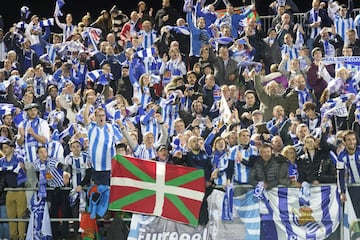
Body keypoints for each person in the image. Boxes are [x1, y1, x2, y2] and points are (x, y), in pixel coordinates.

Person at [83, 95, 123, 186]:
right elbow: (85, 117)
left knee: (108, 192)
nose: (101, 117)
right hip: (95, 168)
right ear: (95, 117)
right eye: (99, 116)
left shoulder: (112, 127)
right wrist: (88, 104)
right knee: (97, 193)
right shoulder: (91, 127)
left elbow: (121, 140)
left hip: (109, 168)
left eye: (103, 115)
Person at [0, 137, 27, 240]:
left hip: (19, 190)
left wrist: (7, 169)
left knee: (20, 216)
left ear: (11, 148)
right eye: (3, 148)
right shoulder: (2, 160)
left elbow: (21, 172)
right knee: (11, 217)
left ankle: (21, 237)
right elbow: (12, 169)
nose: (5, 150)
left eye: (7, 147)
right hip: (9, 191)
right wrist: (12, 168)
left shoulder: (19, 158)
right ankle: (13, 237)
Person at [338, 130, 360, 216]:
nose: (352, 142)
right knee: (355, 213)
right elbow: (340, 174)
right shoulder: (341, 156)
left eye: (354, 139)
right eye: (349, 140)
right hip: (352, 188)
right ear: (344, 142)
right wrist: (342, 192)